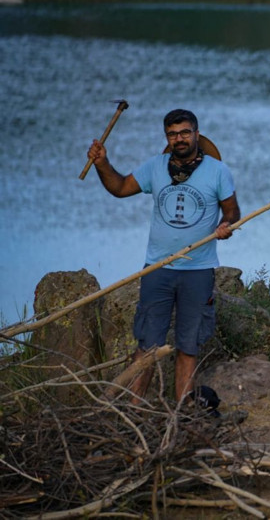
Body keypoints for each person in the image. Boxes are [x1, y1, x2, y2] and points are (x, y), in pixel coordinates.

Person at [86, 109, 241, 403]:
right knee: (147, 344)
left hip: (199, 269)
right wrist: (102, 163)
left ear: (196, 133)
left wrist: (226, 225)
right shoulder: (155, 167)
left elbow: (232, 211)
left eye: (184, 132)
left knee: (188, 345)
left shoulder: (218, 171)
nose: (179, 139)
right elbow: (119, 187)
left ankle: (182, 412)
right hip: (157, 268)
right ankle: (134, 413)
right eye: (172, 134)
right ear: (166, 138)